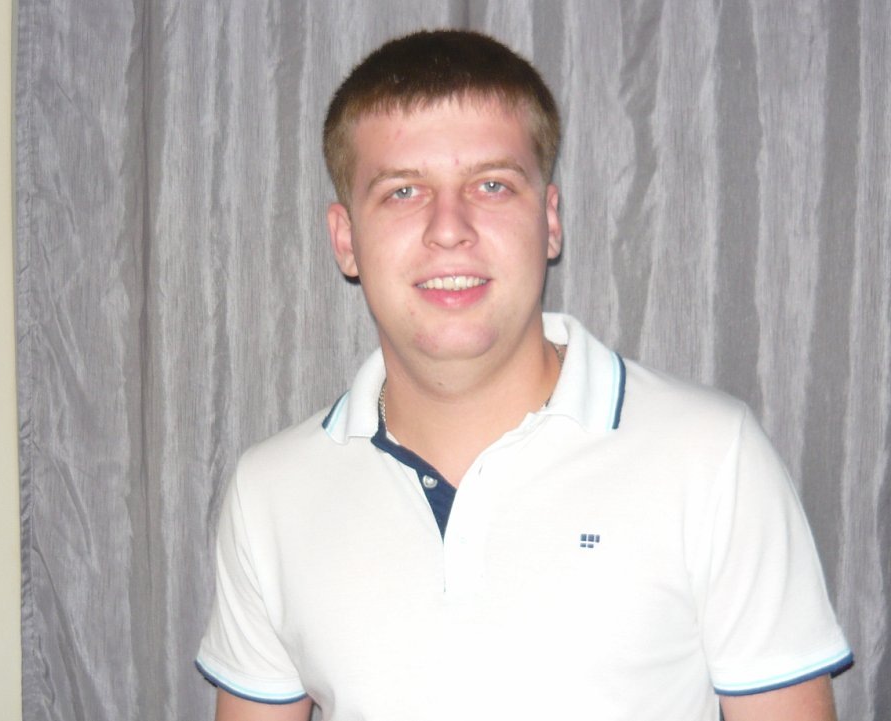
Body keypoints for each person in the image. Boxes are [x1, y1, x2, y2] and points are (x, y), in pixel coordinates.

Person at [197, 29, 851, 721]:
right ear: (345, 239)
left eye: (491, 185)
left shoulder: (714, 456)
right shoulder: (270, 491)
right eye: (403, 191)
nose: (449, 227)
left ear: (550, 220)